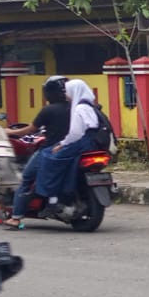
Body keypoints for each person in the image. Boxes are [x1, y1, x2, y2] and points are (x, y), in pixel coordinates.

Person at [4, 76, 71, 227]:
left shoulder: (48, 110)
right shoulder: (76, 108)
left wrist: (9, 132)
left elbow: (30, 130)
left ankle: (15, 217)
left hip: (50, 149)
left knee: (25, 179)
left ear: (49, 93)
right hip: (72, 149)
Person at [34, 79, 102, 209]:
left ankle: (51, 196)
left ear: (74, 91)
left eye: (67, 91)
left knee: (47, 156)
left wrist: (62, 144)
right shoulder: (89, 106)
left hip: (81, 143)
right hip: (91, 142)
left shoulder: (79, 108)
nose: (65, 94)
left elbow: (75, 134)